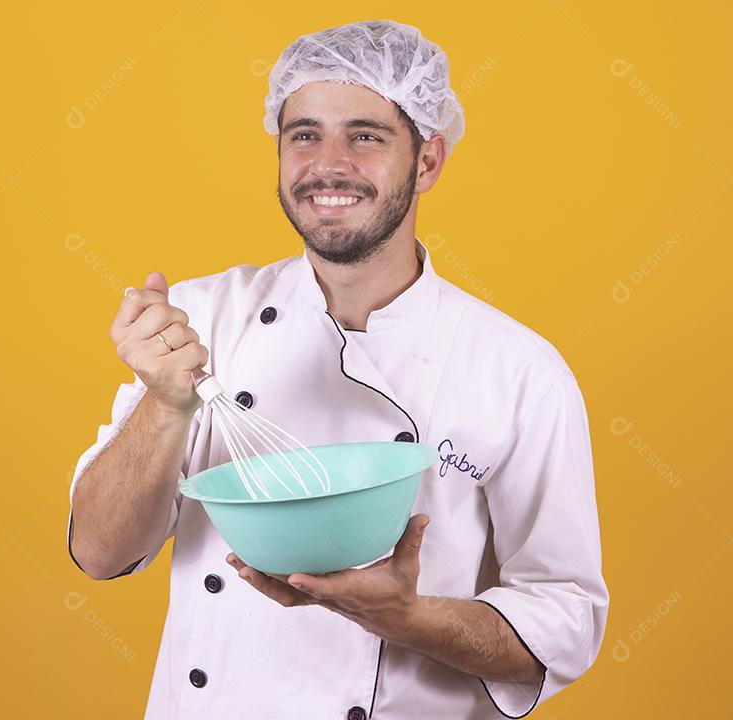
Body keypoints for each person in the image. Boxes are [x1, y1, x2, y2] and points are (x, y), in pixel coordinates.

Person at [66, 19, 608, 719]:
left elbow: (564, 619)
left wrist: (407, 619)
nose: (328, 164)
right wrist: (166, 405)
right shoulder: (201, 322)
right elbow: (98, 553)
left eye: (366, 135)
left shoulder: (519, 372)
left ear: (428, 161)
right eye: (304, 134)